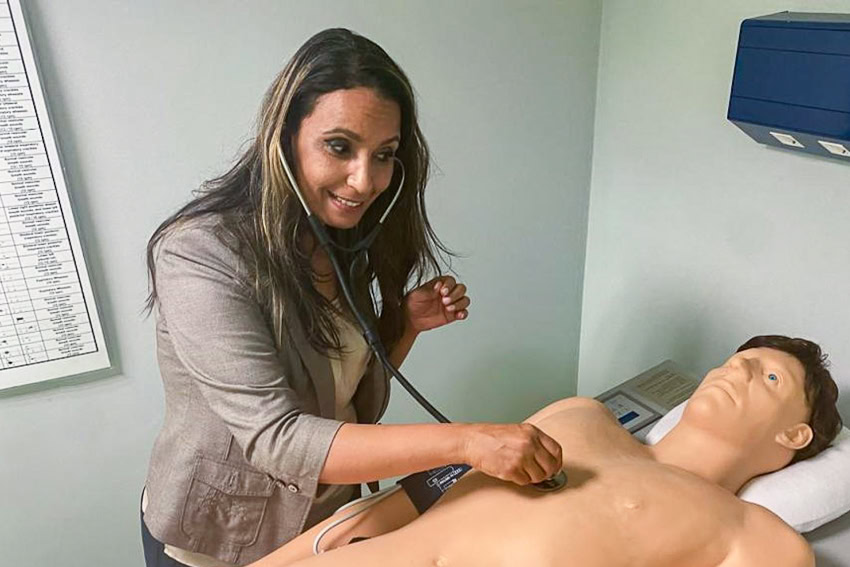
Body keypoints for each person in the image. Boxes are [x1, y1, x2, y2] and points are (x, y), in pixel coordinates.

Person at [140, 28, 563, 567]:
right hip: (219, 541)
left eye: (383, 155)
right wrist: (468, 442)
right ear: (284, 137)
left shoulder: (344, 241)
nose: (364, 181)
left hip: (325, 523)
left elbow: (344, 402)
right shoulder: (199, 255)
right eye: (339, 147)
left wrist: (402, 326)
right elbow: (279, 438)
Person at [249, 335, 843, 567]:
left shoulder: (763, 540)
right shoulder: (581, 416)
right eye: (741, 359)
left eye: (769, 379)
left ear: (795, 437)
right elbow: (417, 494)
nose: (739, 369)